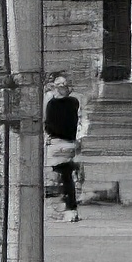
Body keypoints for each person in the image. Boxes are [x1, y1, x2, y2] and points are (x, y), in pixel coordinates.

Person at [40, 73, 81, 223]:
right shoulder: (72, 102)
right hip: (64, 142)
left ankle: (63, 208)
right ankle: (69, 208)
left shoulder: (52, 102)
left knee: (59, 176)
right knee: (65, 176)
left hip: (59, 143)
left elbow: (46, 121)